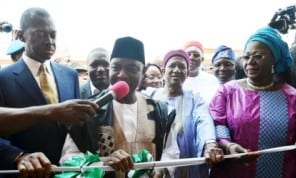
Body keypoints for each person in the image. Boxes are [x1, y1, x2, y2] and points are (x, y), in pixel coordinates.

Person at [0, 7, 98, 177]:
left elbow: (75, 129)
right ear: (21, 36)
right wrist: (17, 156)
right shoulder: (4, 78)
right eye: (40, 34)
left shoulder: (69, 75)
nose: (49, 41)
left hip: (69, 172)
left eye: (53, 34)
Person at [61, 36, 176, 178]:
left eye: (132, 69)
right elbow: (69, 159)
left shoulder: (160, 111)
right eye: (116, 67)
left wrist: (161, 169)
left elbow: (171, 153)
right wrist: (102, 164)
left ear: (142, 73)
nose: (122, 75)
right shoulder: (90, 109)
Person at [209, 26, 296, 178]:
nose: (250, 62)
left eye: (258, 56)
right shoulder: (227, 91)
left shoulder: (292, 96)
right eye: (246, 57)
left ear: (274, 59)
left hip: (280, 172)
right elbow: (219, 124)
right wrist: (228, 145)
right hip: (234, 171)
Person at [147, 49, 223, 178]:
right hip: (156, 169)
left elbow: (204, 121)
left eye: (182, 67)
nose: (176, 70)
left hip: (188, 169)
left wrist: (210, 144)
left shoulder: (195, 99)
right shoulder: (150, 97)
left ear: (187, 73)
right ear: (164, 71)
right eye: (172, 65)